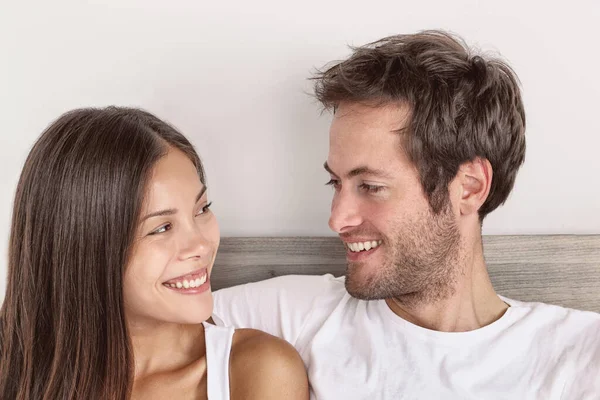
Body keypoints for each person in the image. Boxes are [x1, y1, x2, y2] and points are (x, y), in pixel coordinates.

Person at [212, 31, 600, 399]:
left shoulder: (579, 354)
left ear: (469, 187)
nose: (337, 219)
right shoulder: (294, 317)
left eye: (371, 187)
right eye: (336, 183)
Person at [0, 107, 309, 400]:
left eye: (202, 209)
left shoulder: (256, 371)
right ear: (87, 249)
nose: (201, 245)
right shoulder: (13, 370)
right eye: (161, 228)